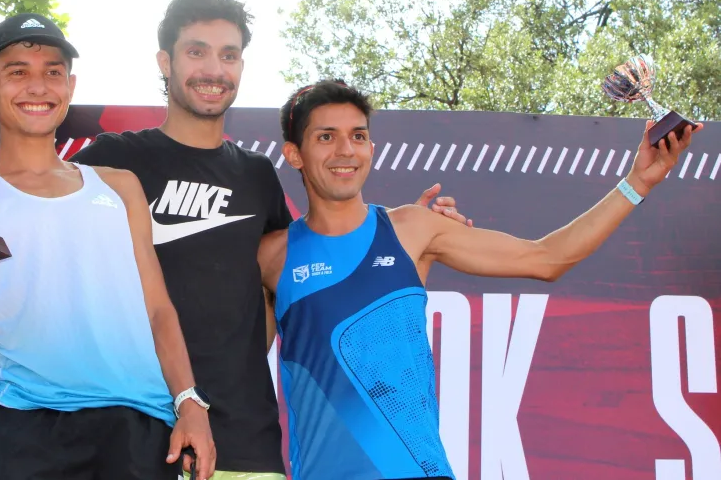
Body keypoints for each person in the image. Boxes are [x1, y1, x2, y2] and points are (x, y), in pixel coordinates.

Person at [69, 0, 471, 479]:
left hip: (241, 444)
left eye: (229, 55)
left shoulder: (257, 176)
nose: (214, 70)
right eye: (197, 52)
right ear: (164, 61)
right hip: (130, 436)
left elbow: (303, 272)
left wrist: (411, 227)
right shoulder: (110, 161)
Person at [257, 79, 703, 480]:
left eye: (358, 136)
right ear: (294, 153)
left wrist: (637, 183)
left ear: (371, 147)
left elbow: (548, 258)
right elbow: (232, 364)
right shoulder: (270, 256)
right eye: (325, 137)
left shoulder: (413, 229)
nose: (345, 151)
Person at [0, 13, 215, 480]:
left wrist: (190, 401)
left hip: (139, 428)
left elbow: (157, 309)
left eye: (52, 72)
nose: (38, 86)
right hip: (29, 433)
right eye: (17, 72)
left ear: (70, 87)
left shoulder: (119, 186)